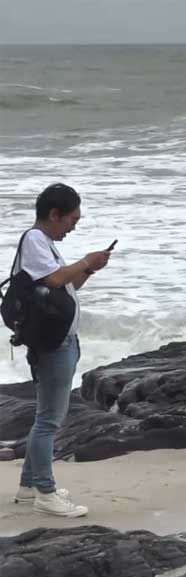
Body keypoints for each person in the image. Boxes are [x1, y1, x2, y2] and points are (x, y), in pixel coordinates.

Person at [11, 183, 110, 517]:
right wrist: (85, 260)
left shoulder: (45, 245)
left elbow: (64, 284)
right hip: (54, 344)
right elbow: (53, 281)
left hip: (59, 340)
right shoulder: (35, 240)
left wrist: (90, 268)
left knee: (45, 417)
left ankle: (28, 488)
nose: (73, 227)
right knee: (49, 421)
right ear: (54, 214)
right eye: (72, 219)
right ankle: (46, 492)